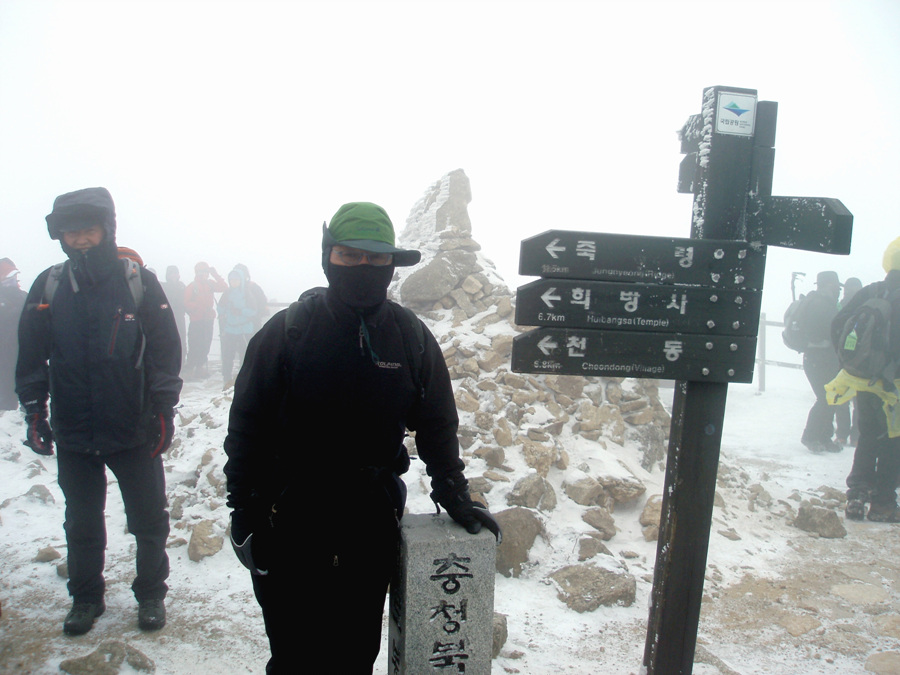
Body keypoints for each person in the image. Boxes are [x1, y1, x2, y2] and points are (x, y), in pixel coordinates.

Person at [223, 202, 499, 674]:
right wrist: (244, 510)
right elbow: (247, 424)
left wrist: (454, 493)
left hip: (369, 519)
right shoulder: (287, 332)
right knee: (293, 655)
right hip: (288, 517)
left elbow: (436, 423)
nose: (363, 268)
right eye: (350, 256)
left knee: (354, 653)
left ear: (391, 264)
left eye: (376, 258)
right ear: (328, 257)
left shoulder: (409, 338)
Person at [15, 187, 182, 635]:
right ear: (61, 237)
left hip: (135, 426)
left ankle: (150, 594)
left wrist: (164, 408)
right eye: (72, 233)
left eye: (89, 230)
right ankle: (86, 598)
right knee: (82, 522)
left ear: (107, 229)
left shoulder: (139, 283)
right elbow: (31, 356)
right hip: (74, 430)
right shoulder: (49, 285)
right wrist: (35, 411)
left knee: (149, 519)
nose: (81, 240)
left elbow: (165, 351)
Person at [833, 240, 900, 521]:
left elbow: (838, 324)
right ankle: (883, 503)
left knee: (868, 435)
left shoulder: (871, 291)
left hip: (864, 381)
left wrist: (852, 366)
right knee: (893, 441)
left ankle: (857, 495)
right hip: (894, 385)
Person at [799, 271, 843, 453]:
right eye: (836, 286)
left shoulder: (820, 302)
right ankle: (810, 437)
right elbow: (824, 332)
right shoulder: (821, 304)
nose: (838, 290)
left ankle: (824, 437)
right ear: (829, 285)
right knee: (825, 398)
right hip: (820, 358)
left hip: (819, 358)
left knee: (830, 398)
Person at [183, 261, 226, 379]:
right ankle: (192, 368)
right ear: (197, 273)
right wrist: (198, 308)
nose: (204, 274)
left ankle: (199, 368)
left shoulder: (210, 284)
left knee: (206, 344)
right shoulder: (192, 286)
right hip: (197, 320)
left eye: (206, 272)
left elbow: (224, 287)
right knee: (194, 344)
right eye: (202, 272)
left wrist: (215, 274)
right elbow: (186, 303)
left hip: (207, 319)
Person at [835, 276, 864, 445]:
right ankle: (855, 435)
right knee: (858, 399)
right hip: (858, 358)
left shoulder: (840, 306)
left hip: (841, 358)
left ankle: (842, 434)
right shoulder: (864, 306)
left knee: (842, 397)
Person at [218, 267, 256, 388]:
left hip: (244, 329)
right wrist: (224, 309)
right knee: (228, 354)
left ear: (241, 280)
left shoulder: (247, 293)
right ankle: (227, 377)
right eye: (231, 280)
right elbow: (220, 308)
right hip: (230, 329)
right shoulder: (227, 293)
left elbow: (254, 311)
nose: (233, 282)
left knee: (244, 354)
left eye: (236, 279)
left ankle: (244, 377)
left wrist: (240, 311)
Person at [0, 258, 27, 410]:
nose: (14, 281)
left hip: (26, 362)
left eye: (15, 276)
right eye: (9, 277)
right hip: (4, 365)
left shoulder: (24, 296)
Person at [160, 266, 187, 365]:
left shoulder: (182, 286)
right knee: (169, 339)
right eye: (171, 273)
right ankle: (169, 362)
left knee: (181, 339)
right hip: (167, 317)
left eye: (175, 273)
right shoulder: (163, 286)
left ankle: (182, 362)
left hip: (180, 316)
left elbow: (186, 301)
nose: (174, 275)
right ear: (168, 275)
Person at [233, 263, 269, 333]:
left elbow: (262, 304)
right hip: (240, 324)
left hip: (251, 323)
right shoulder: (234, 289)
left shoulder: (253, 287)